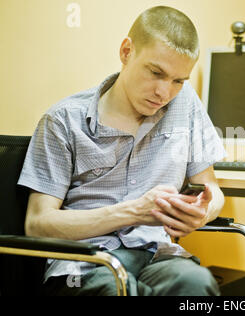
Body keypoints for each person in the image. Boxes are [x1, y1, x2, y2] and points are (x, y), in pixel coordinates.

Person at [18, 6, 227, 296]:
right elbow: (38, 224)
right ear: (126, 51)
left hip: (156, 254)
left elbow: (212, 189)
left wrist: (202, 212)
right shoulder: (64, 120)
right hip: (86, 262)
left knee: (196, 284)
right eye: (156, 72)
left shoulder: (185, 104)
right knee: (117, 290)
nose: (164, 93)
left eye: (178, 80)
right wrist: (133, 212)